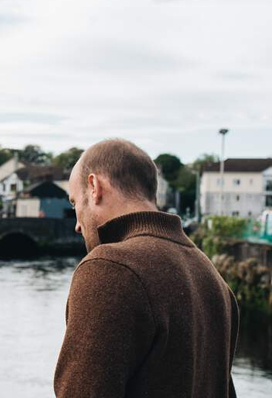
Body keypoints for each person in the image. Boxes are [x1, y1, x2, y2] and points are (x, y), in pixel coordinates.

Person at [54, 139, 239, 397]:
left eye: (75, 203)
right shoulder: (214, 280)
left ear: (94, 187)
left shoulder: (110, 268)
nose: (77, 224)